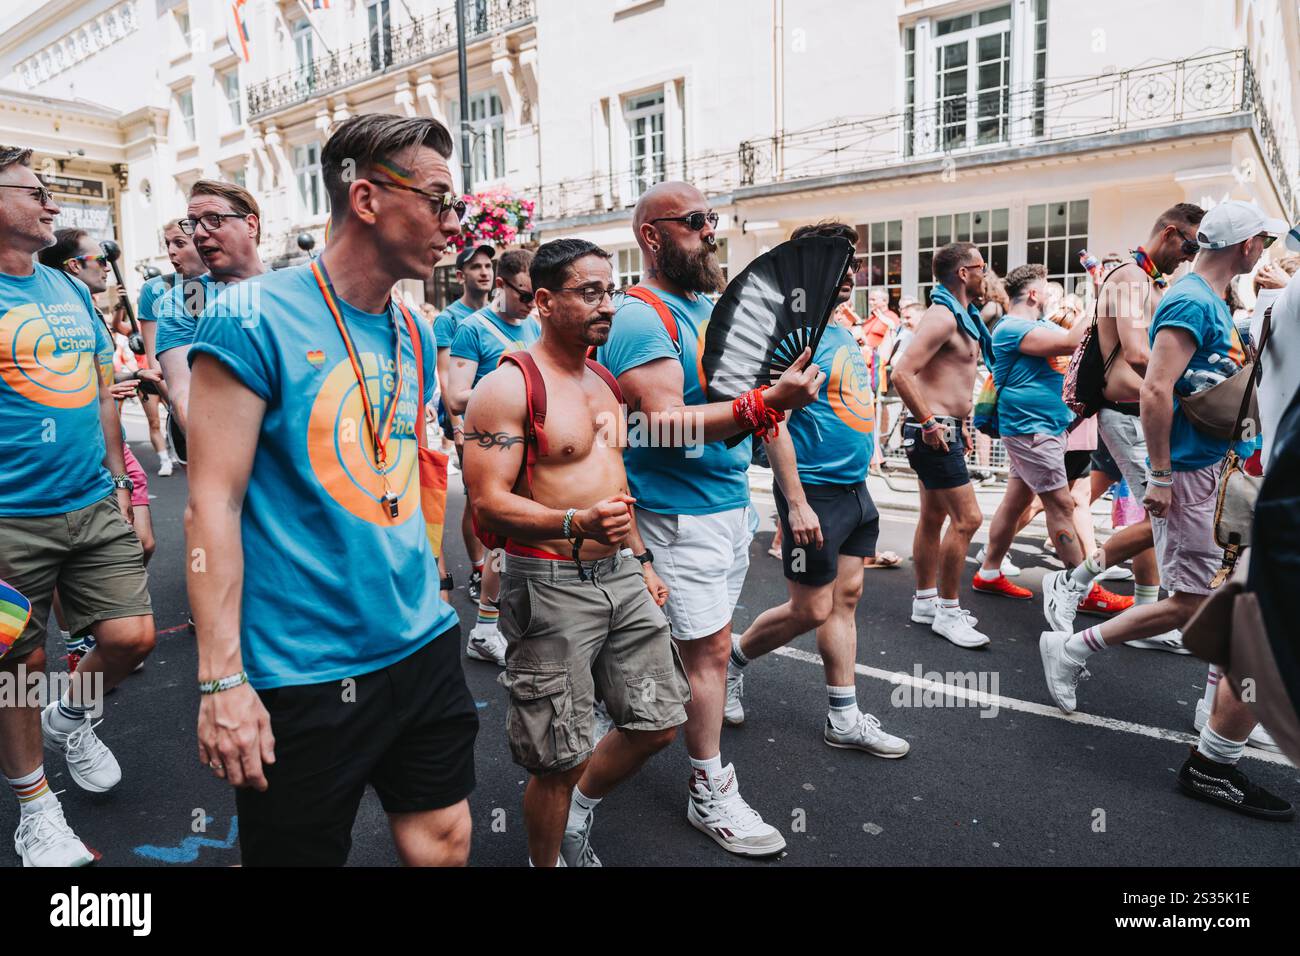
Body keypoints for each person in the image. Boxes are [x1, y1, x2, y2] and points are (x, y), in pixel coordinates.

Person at [186, 114, 479, 865]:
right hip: (307, 668)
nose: (457, 222)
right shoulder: (251, 314)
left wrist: (435, 586)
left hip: (420, 643)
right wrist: (222, 682)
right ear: (368, 199)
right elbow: (212, 501)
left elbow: (403, 467)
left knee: (444, 838)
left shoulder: (414, 329)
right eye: (441, 200)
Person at [1038, 200, 1294, 821]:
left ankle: (1218, 716)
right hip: (1190, 474)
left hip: (1220, 468)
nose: (1264, 250)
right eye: (1261, 240)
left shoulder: (1204, 298)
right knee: (1192, 604)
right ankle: (1072, 649)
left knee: (1225, 594)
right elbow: (1154, 388)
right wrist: (1159, 476)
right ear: (1247, 245)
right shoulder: (1188, 299)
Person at [597, 180, 822, 857]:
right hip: (675, 516)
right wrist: (760, 405)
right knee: (711, 652)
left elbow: (765, 410)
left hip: (727, 508)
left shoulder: (710, 308)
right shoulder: (642, 316)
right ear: (652, 235)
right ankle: (708, 788)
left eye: (712, 219)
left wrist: (794, 494)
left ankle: (617, 693)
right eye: (694, 221)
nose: (710, 231)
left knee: (693, 645)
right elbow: (659, 428)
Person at [464, 237, 686, 867]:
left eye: (609, 291)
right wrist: (572, 520)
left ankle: (579, 810)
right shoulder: (506, 388)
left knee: (658, 721)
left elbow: (616, 486)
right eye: (589, 292)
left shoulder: (604, 381)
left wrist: (642, 562)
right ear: (543, 301)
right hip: (549, 583)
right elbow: (486, 503)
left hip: (621, 573)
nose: (606, 305)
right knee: (557, 757)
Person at [0, 146, 155, 866]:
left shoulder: (67, 289)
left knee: (130, 638)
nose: (51, 205)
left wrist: (123, 485)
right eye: (34, 191)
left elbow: (100, 392)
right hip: (9, 521)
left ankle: (73, 716)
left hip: (91, 503)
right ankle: (36, 810)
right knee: (19, 667)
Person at [725, 221, 909, 757]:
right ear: (807, 268)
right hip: (816, 494)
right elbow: (772, 419)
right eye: (837, 262)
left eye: (852, 263)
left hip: (854, 490)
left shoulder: (840, 330)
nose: (850, 273)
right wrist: (796, 504)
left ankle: (844, 717)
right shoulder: (790, 335)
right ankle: (735, 661)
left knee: (845, 601)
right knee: (809, 609)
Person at [1067, 204, 1206, 651]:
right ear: (1169, 233)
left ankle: (1147, 614)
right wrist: (1189, 383)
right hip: (1125, 412)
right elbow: (1138, 351)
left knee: (1160, 512)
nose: (1189, 256)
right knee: (1167, 512)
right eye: (1189, 245)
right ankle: (1074, 580)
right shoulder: (1128, 277)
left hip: (1136, 411)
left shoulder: (1144, 280)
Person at [973, 264, 1102, 616]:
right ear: (1033, 294)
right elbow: (1072, 339)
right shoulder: (1011, 328)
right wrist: (1104, 292)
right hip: (1031, 429)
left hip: (1045, 428)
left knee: (1015, 502)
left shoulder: (1036, 326)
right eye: (1045, 290)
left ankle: (988, 571)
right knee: (1061, 506)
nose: (1049, 296)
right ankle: (1081, 589)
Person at [891, 242, 991, 648]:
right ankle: (948, 612)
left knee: (933, 517)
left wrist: (961, 423)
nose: (987, 273)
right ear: (963, 273)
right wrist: (931, 423)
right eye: (982, 267)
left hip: (945, 427)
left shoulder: (962, 317)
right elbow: (901, 373)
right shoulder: (942, 317)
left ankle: (925, 601)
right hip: (932, 431)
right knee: (968, 520)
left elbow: (950, 379)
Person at [447, 248, 539, 666]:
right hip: (490, 445)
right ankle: (484, 628)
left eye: (536, 294)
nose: (531, 302)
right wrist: (507, 384)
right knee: (499, 538)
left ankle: (515, 621)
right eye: (523, 293)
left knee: (526, 538)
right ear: (501, 285)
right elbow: (455, 396)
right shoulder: (472, 329)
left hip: (530, 443)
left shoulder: (536, 325)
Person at [155, 180, 266, 441]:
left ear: (251, 225)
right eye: (193, 223)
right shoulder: (184, 301)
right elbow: (183, 396)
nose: (199, 233)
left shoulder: (290, 288)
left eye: (213, 219)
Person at [435, 243, 495, 597]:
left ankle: (500, 568)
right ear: (461, 276)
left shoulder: (499, 315)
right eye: (476, 267)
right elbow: (445, 376)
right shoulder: (450, 318)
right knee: (475, 498)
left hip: (500, 422)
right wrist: (457, 426)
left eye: (488, 265)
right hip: (467, 421)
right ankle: (477, 570)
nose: (484, 272)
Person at [138, 219, 206, 476]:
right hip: (187, 407)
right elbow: (156, 365)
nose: (170, 251)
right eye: (167, 244)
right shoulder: (156, 290)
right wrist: (180, 409)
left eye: (179, 243)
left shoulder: (233, 283)